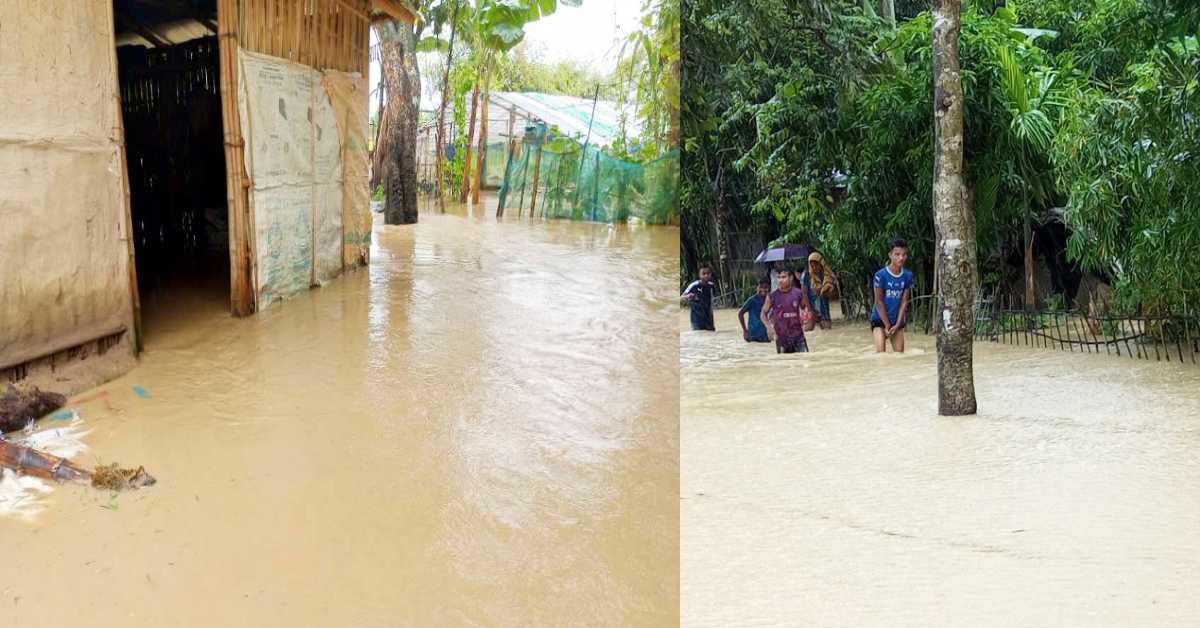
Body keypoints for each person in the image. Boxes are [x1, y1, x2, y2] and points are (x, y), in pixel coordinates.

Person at [871, 238, 914, 353]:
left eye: (904, 255)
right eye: (897, 254)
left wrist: (898, 324)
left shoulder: (908, 276)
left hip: (896, 322)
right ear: (890, 255)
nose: (901, 258)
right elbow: (878, 302)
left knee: (900, 355)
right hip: (880, 320)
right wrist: (887, 325)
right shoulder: (880, 275)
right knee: (881, 354)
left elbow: (904, 302)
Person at [761, 268, 812, 353]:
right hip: (781, 339)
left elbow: (805, 308)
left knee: (805, 360)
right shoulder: (772, 296)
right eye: (778, 277)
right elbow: (763, 313)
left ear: (791, 278)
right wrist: (769, 327)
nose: (780, 280)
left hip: (799, 338)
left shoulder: (799, 293)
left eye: (784, 277)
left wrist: (806, 318)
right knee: (784, 364)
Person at [800, 252, 836, 331]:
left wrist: (826, 290)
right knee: (809, 331)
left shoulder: (827, 275)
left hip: (823, 308)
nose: (814, 267)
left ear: (821, 263)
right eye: (812, 265)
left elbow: (832, 296)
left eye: (816, 265)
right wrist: (811, 311)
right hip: (810, 307)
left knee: (827, 330)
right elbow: (804, 294)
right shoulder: (806, 275)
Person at [681, 265, 716, 331]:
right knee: (699, 336)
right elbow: (681, 298)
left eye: (708, 273)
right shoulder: (694, 285)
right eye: (703, 274)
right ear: (699, 275)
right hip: (697, 319)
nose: (706, 275)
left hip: (709, 318)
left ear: (710, 274)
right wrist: (688, 296)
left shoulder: (711, 285)